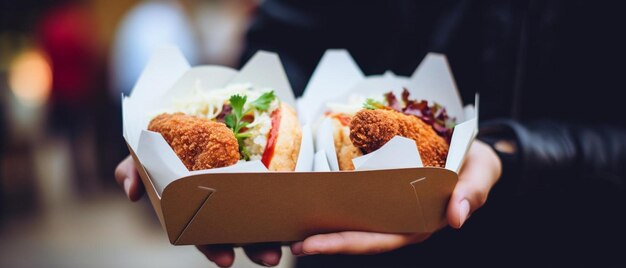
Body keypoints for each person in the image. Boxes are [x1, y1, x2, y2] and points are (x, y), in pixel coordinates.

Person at [115, 1, 626, 266]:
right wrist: (250, 193)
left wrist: (513, 152)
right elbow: (285, 36)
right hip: (331, 234)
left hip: (569, 240)